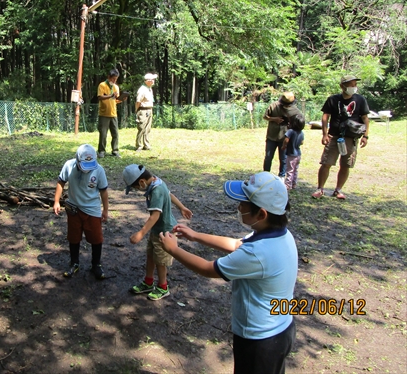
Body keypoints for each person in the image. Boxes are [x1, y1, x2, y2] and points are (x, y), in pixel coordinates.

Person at [159, 172, 297, 374]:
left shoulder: (258, 253)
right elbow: (236, 244)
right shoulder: (277, 234)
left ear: (262, 214)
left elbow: (208, 268)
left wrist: (173, 250)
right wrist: (196, 236)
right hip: (281, 328)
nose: (238, 207)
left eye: (243, 203)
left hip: (260, 340)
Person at [123, 164, 192, 300]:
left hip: (165, 232)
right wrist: (182, 207)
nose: (137, 190)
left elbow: (155, 215)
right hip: (156, 230)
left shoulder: (156, 190)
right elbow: (169, 194)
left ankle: (163, 287)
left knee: (160, 261)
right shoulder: (157, 181)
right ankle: (148, 282)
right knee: (151, 256)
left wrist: (141, 233)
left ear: (142, 182)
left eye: (136, 188)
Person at [53, 144, 109, 279]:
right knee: (74, 237)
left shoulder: (99, 170)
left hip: (92, 209)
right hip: (73, 208)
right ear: (77, 161)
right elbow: (61, 182)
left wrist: (106, 209)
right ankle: (74, 263)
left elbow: (104, 191)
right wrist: (56, 201)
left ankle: (96, 265)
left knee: (96, 238)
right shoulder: (69, 166)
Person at [312, 75, 370, 199]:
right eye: (350, 85)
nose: (353, 87)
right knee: (326, 163)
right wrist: (324, 134)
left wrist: (366, 136)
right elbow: (325, 116)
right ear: (342, 86)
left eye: (355, 84)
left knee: (346, 165)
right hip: (334, 136)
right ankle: (320, 189)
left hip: (351, 137)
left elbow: (365, 119)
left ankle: (338, 190)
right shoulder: (333, 99)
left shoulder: (360, 100)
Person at [262, 92, 302, 177]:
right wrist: (274, 119)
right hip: (271, 136)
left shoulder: (295, 111)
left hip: (285, 138)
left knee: (283, 159)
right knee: (268, 157)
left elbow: (300, 124)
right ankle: (265, 175)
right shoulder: (273, 106)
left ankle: (282, 176)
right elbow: (265, 116)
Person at [97, 68, 121, 158]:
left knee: (115, 133)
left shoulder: (116, 87)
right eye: (113, 78)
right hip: (104, 113)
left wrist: (121, 99)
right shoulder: (102, 85)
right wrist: (111, 95)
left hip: (113, 113)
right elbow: (100, 97)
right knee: (103, 133)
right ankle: (101, 151)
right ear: (109, 77)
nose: (114, 81)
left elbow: (116, 100)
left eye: (116, 79)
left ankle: (115, 150)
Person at [282, 113, 305, 190]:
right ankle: (294, 183)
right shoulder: (301, 132)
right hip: (298, 154)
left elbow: (286, 140)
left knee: (289, 170)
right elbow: (302, 142)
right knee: (295, 170)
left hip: (291, 154)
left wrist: (284, 146)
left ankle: (288, 185)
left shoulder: (290, 131)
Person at [135, 73, 158, 151]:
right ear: (147, 81)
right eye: (151, 79)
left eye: (153, 79)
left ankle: (146, 144)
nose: (153, 81)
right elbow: (138, 101)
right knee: (141, 128)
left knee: (147, 129)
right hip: (143, 110)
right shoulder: (142, 89)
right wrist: (137, 110)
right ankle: (139, 145)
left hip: (149, 109)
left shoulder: (149, 88)